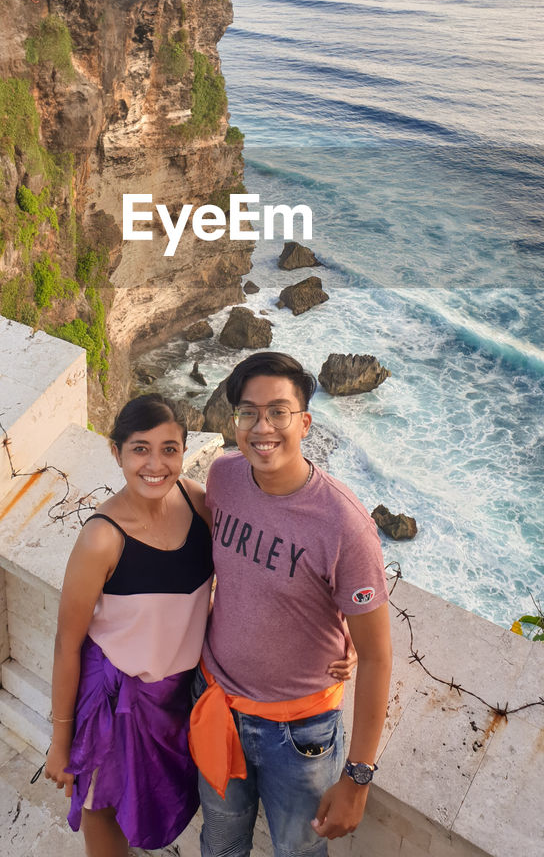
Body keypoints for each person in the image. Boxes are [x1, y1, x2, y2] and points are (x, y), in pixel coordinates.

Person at [189, 351, 392, 857]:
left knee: (299, 852)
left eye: (278, 412)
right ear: (234, 420)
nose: (263, 427)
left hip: (301, 736)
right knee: (219, 843)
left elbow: (379, 655)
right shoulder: (224, 478)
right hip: (217, 702)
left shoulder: (344, 525)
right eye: (249, 412)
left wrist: (358, 776)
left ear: (304, 422)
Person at [44, 394, 213, 855]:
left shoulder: (198, 504)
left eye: (169, 449)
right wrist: (61, 743)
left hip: (174, 700)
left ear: (183, 450)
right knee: (103, 810)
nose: (155, 464)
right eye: (140, 448)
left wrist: (339, 631)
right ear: (115, 452)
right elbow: (67, 644)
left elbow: (258, 571)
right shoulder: (102, 539)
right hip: (112, 701)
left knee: (153, 804)